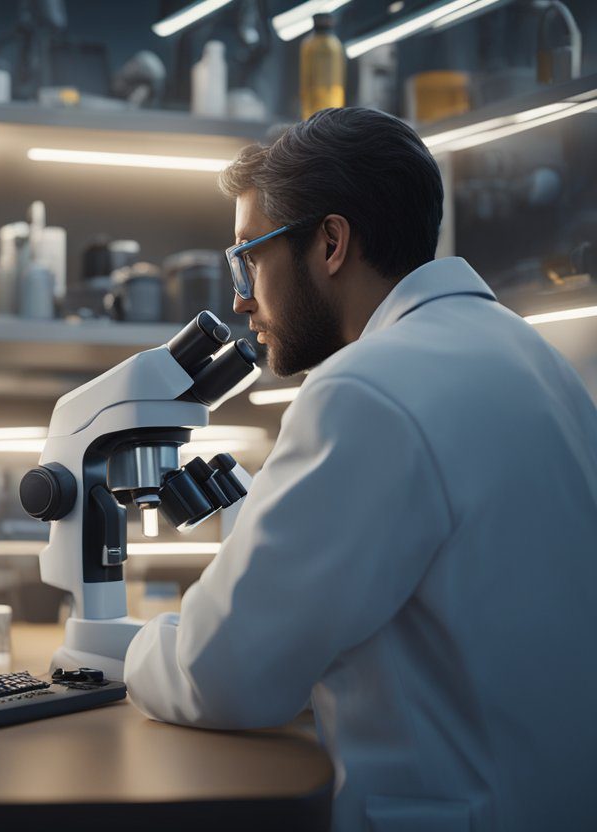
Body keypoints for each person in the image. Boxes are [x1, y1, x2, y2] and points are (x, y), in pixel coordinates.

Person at [123, 107, 597, 831]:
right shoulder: (533, 359)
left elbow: (225, 676)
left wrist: (125, 654)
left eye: (249, 255)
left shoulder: (365, 389)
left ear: (332, 242)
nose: (242, 296)